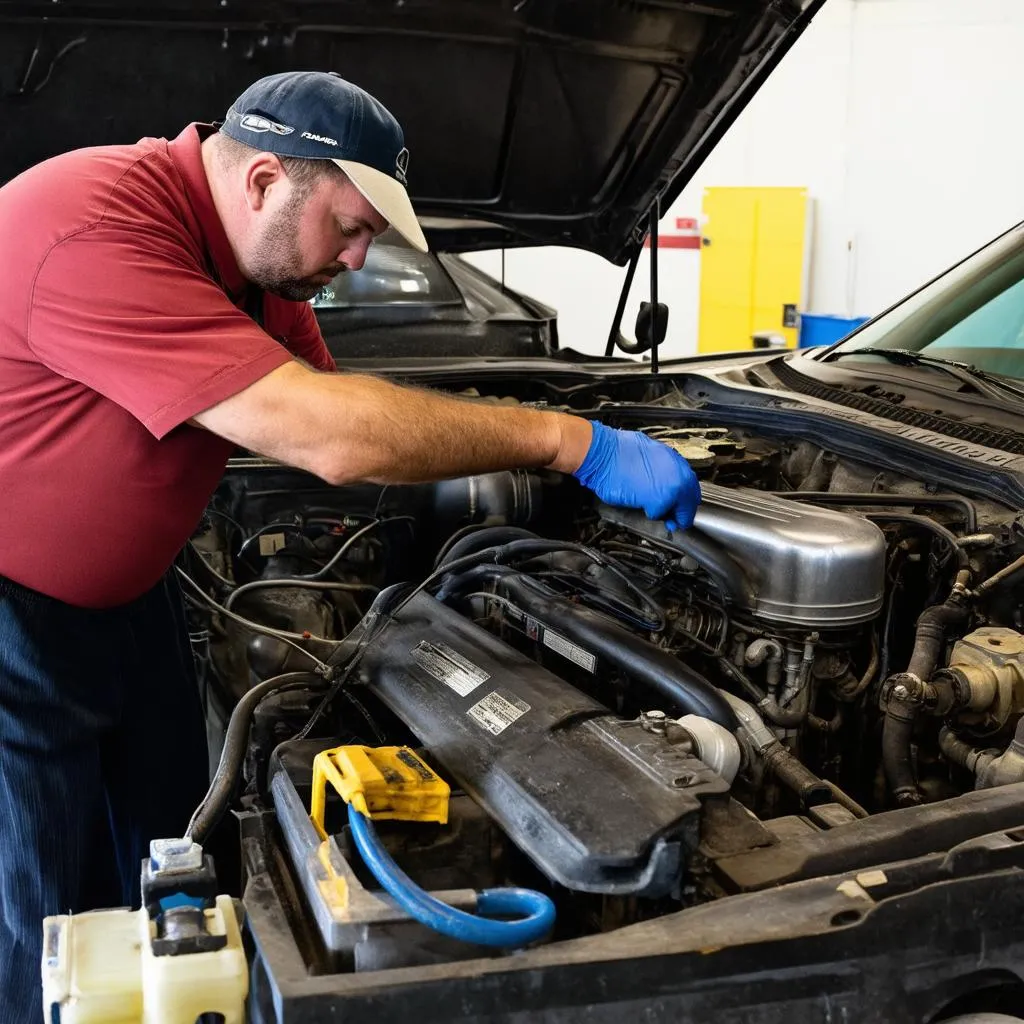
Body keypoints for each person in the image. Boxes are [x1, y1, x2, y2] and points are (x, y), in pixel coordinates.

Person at [0, 70, 700, 1020]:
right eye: (352, 226)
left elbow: (358, 420)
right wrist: (568, 441)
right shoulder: (91, 223)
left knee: (175, 857)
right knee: (46, 913)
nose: (360, 260)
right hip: (17, 617)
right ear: (263, 182)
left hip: (131, 598)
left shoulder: (253, 264)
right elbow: (332, 435)